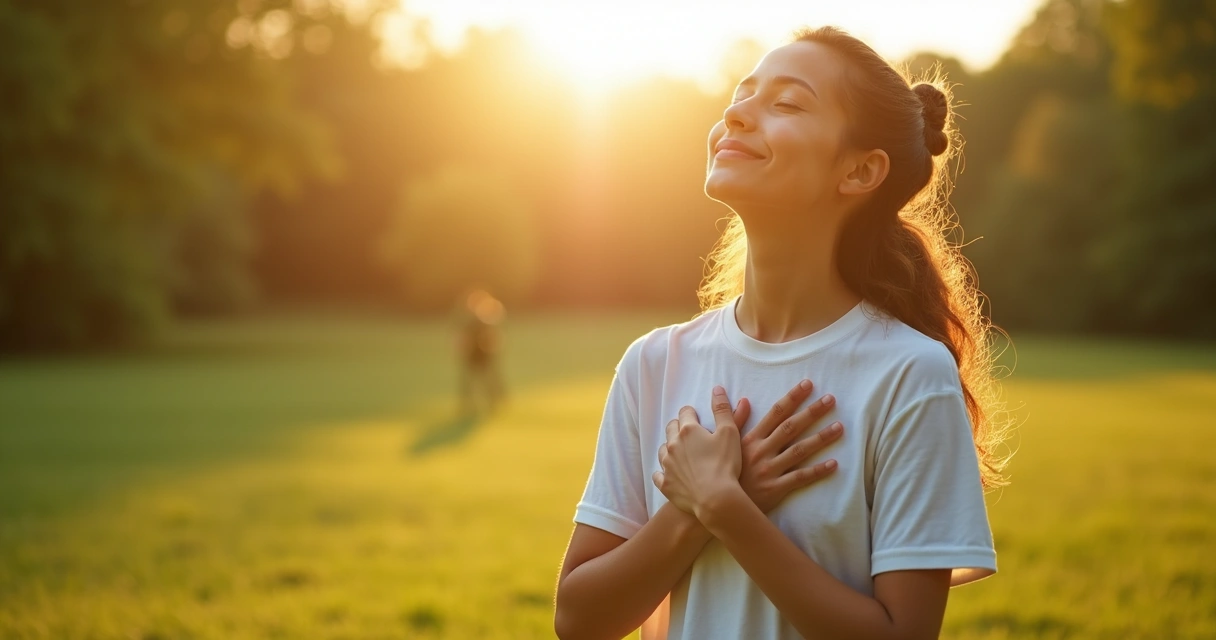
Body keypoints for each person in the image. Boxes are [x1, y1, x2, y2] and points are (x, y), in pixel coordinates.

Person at [554, 26, 1012, 640]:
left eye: (786, 103)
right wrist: (693, 512)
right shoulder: (654, 363)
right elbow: (578, 619)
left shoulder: (909, 373)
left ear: (860, 171)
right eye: (741, 95)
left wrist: (726, 508)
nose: (737, 114)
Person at [457, 288, 505, 415]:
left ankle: (493, 403)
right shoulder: (469, 321)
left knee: (488, 381)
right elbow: (463, 339)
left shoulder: (485, 320)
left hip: (483, 355)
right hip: (473, 355)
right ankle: (469, 407)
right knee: (470, 383)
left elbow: (492, 338)